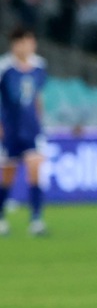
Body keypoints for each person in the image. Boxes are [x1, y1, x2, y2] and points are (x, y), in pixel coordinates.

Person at [0, 27, 49, 236]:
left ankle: (36, 220)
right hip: (9, 129)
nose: (27, 46)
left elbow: (37, 96)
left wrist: (40, 122)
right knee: (7, 176)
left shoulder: (39, 66)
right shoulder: (4, 67)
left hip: (32, 129)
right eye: (23, 41)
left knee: (35, 169)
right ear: (15, 44)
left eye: (31, 41)